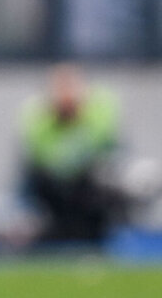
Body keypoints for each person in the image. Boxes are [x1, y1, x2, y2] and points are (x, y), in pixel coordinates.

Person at [18, 64, 144, 247]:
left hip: (93, 184)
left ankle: (112, 232)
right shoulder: (36, 119)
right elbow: (47, 162)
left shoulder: (101, 108)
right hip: (57, 187)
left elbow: (110, 147)